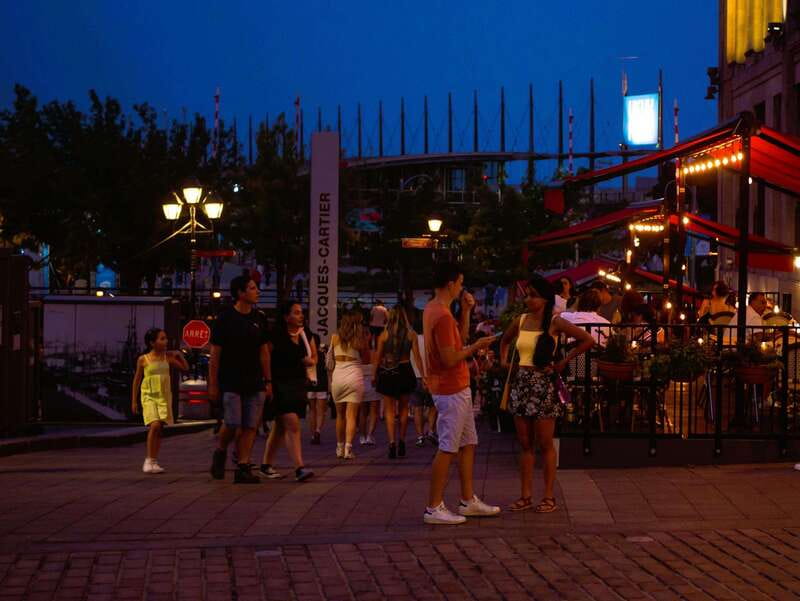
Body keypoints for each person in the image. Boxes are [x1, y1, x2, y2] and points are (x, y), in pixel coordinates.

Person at [500, 275, 594, 513]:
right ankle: (526, 495)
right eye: (527, 295)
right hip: (522, 381)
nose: (528, 299)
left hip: (543, 383)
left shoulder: (554, 322)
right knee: (524, 443)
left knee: (544, 442)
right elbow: (505, 340)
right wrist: (503, 362)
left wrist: (563, 361)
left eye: (533, 295)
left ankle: (549, 495)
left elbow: (587, 340)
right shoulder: (520, 320)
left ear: (544, 299)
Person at [422, 262, 500, 524]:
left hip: (455, 386)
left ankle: (467, 500)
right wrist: (477, 345)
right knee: (448, 447)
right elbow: (450, 357)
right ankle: (434, 507)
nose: (461, 287)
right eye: (460, 282)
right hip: (451, 387)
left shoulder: (435, 310)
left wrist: (466, 312)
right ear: (451, 283)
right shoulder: (441, 315)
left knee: (467, 443)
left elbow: (457, 341)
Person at [209, 276, 272, 484]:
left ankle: (243, 466)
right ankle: (220, 450)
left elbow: (264, 352)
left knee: (250, 425)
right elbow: (215, 354)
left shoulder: (259, 318)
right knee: (233, 422)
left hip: (254, 380)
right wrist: (213, 384)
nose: (257, 292)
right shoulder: (225, 318)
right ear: (240, 293)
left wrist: (268, 381)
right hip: (230, 379)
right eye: (253, 288)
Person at [260, 301, 315, 481]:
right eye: (296, 312)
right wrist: (267, 381)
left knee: (280, 427)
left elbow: (314, 356)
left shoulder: (305, 334)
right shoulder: (276, 334)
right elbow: (265, 356)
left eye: (301, 312)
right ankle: (299, 467)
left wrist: (311, 361)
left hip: (298, 383)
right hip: (280, 383)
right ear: (286, 317)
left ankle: (266, 464)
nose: (301, 316)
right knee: (292, 423)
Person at [131, 328, 188, 473]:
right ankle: (148, 460)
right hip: (149, 396)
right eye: (162, 339)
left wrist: (180, 355)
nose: (166, 341)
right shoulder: (143, 359)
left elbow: (185, 368)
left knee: (159, 429)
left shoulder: (167, 358)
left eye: (165, 338)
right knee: (155, 425)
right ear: (152, 343)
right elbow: (137, 380)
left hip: (163, 396)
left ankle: (154, 461)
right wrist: (134, 401)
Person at [373, 305, 424, 459]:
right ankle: (402, 440)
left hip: (388, 372)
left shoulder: (384, 335)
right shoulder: (411, 334)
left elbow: (378, 356)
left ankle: (391, 442)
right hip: (405, 370)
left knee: (389, 410)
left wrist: (374, 375)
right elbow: (417, 357)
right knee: (403, 409)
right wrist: (423, 376)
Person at [328, 311, 369, 459]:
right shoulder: (359, 339)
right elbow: (365, 358)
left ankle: (339, 447)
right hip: (354, 377)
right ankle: (348, 449)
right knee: (351, 415)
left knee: (340, 415)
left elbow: (330, 359)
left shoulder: (334, 337)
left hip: (338, 376)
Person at [306, 330, 328, 445]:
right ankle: (318, 430)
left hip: (310, 383)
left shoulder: (307, 355)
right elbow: (328, 368)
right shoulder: (323, 353)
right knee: (321, 410)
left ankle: (313, 433)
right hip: (322, 383)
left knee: (312, 410)